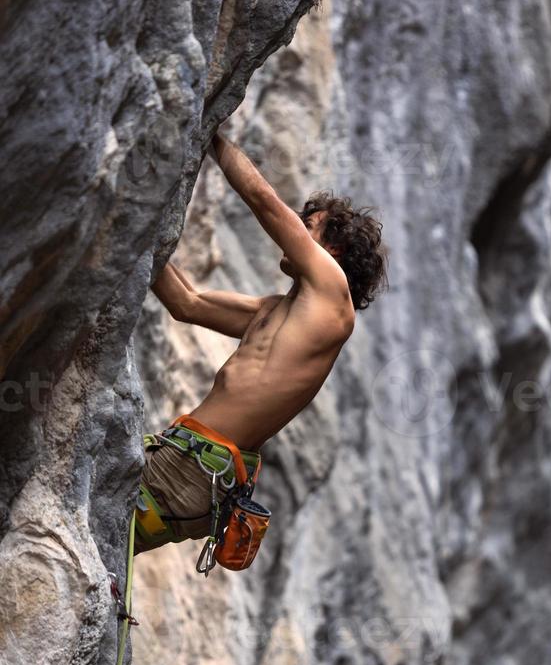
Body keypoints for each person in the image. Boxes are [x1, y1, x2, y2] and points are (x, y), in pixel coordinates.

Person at [134, 131, 389, 557]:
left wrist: (210, 132)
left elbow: (263, 200)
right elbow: (187, 303)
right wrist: (138, 231)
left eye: (308, 227)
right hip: (192, 463)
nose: (295, 226)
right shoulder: (274, 310)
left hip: (198, 467)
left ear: (334, 247)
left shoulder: (332, 294)